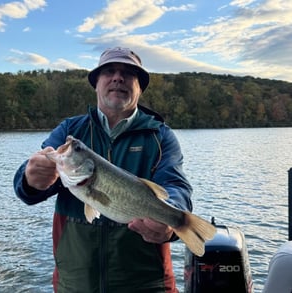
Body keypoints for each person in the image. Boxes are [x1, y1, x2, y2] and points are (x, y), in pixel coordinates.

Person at [13, 47, 193, 293]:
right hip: (75, 285)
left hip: (148, 285)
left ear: (140, 87)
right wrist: (29, 178)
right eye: (109, 71)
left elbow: (175, 187)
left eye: (128, 74)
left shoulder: (160, 136)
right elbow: (30, 185)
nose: (117, 77)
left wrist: (172, 222)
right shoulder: (69, 131)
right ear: (96, 84)